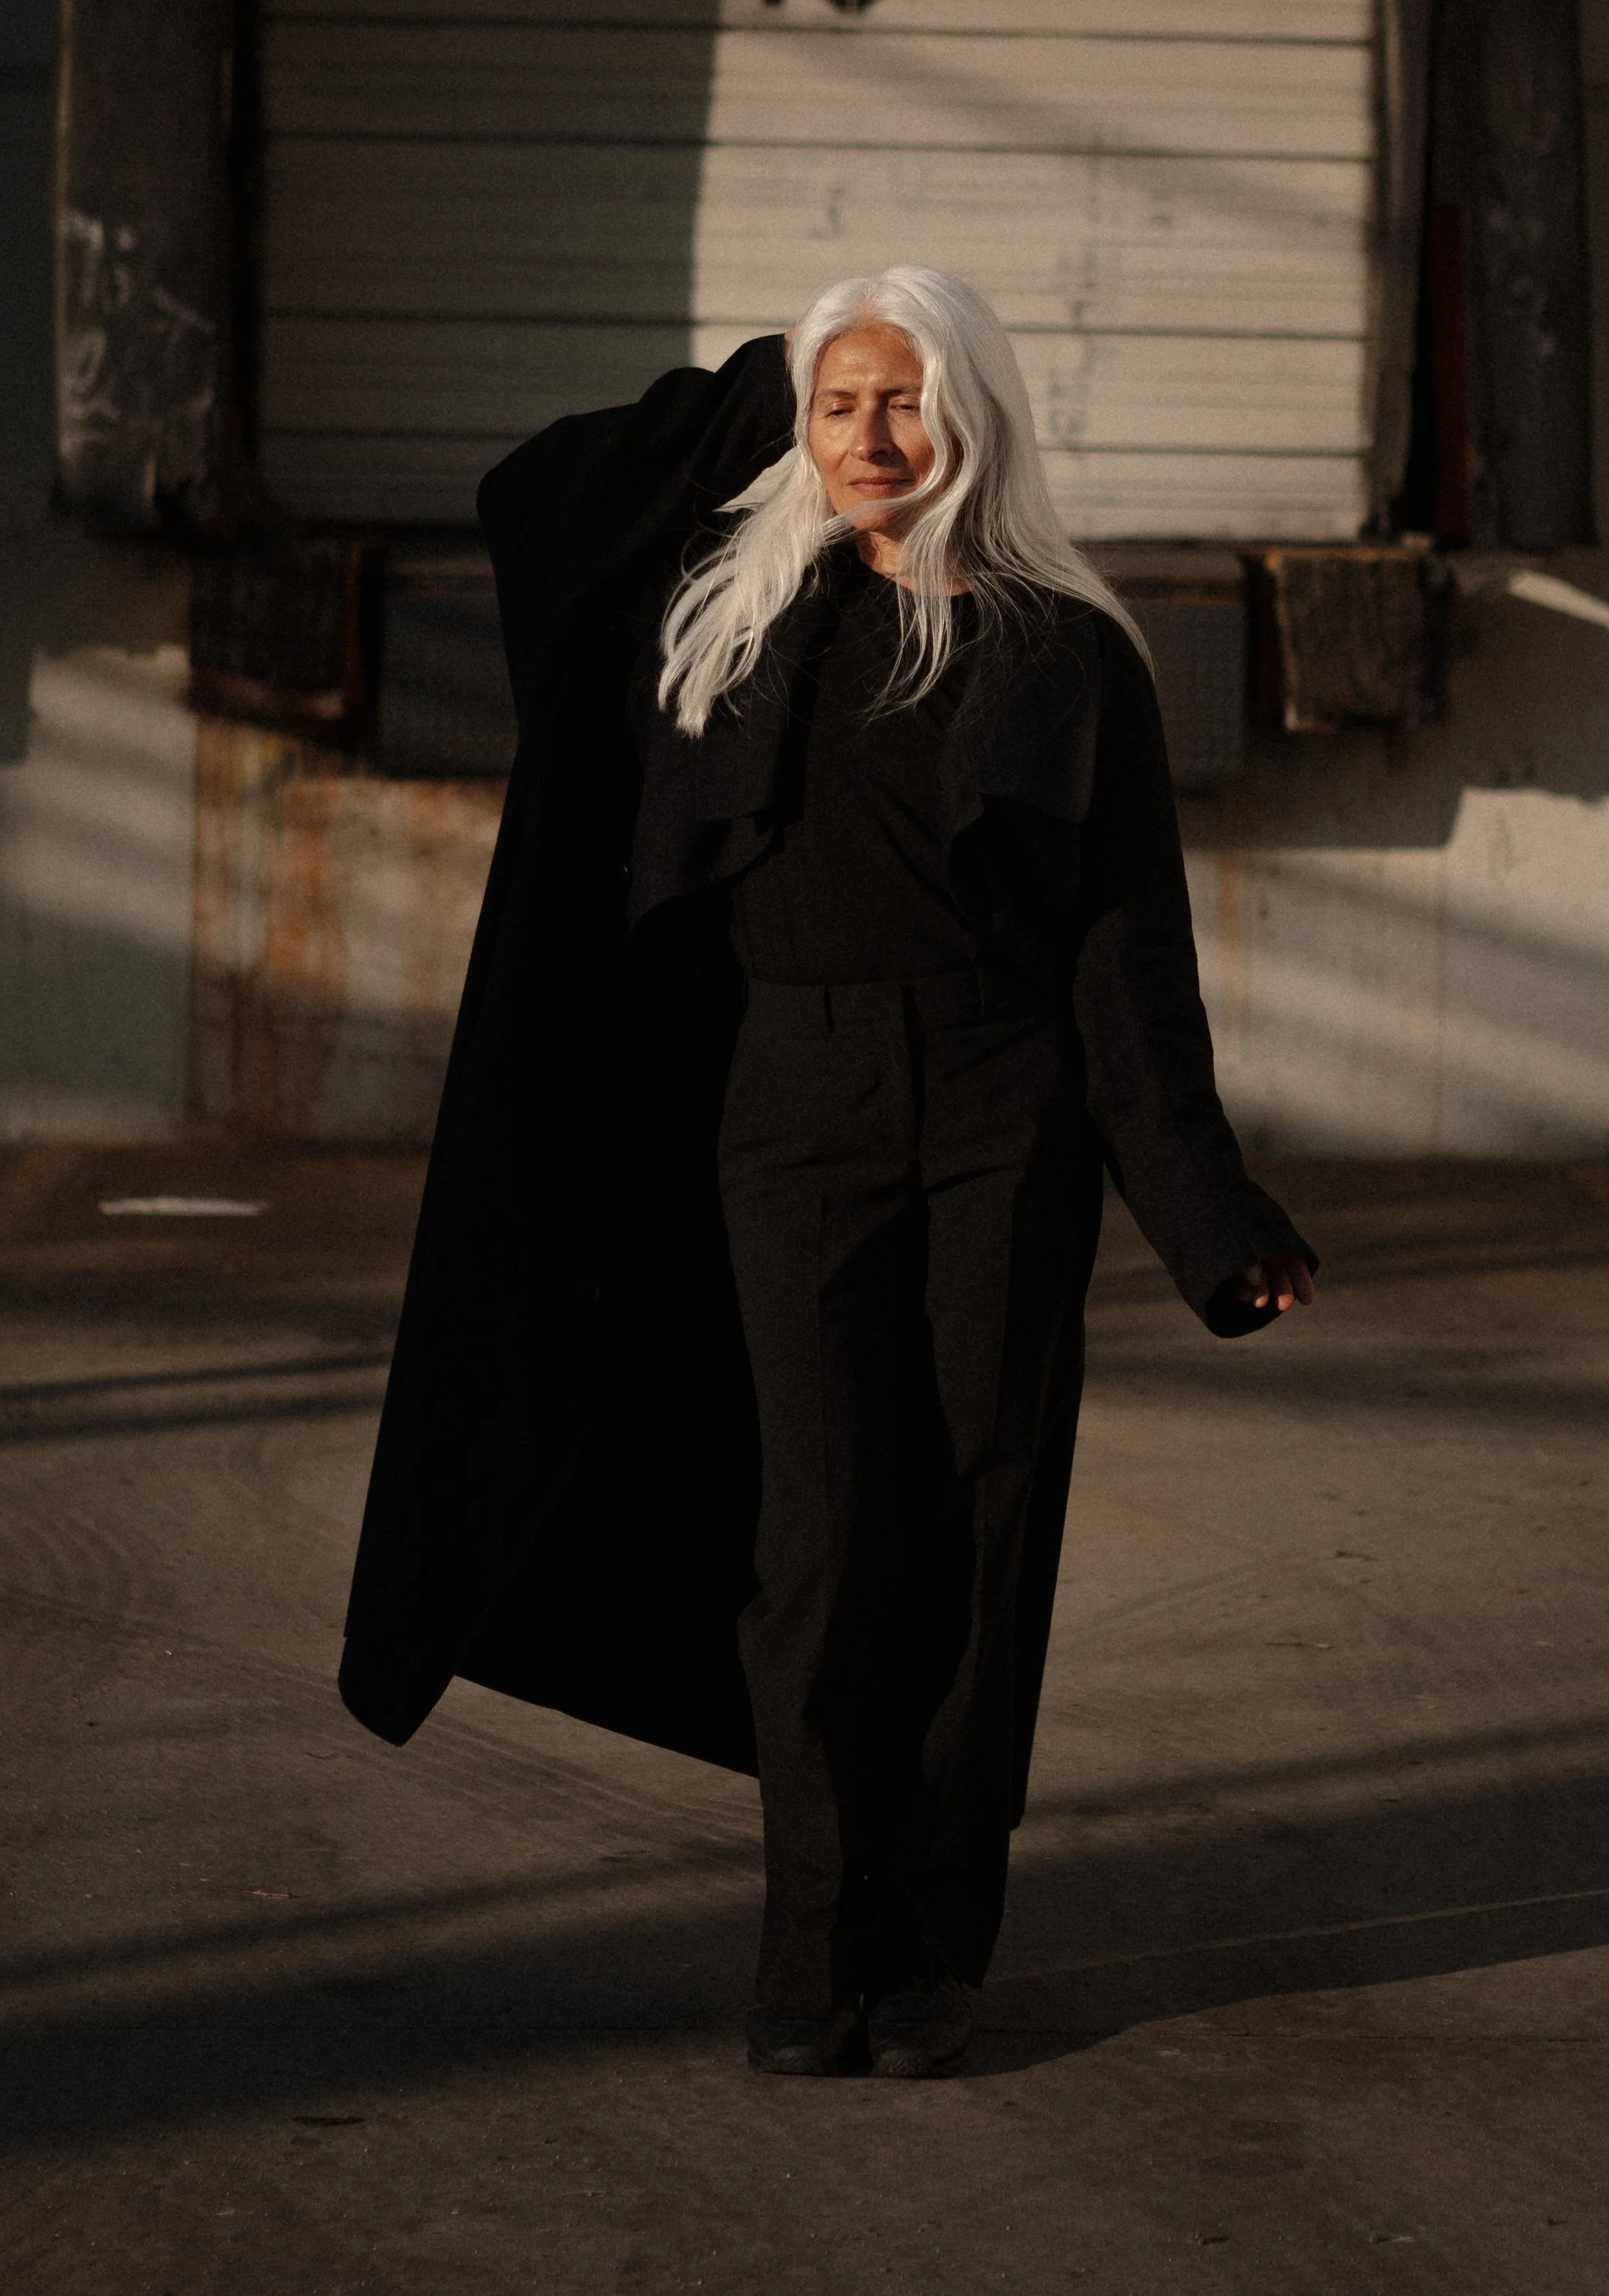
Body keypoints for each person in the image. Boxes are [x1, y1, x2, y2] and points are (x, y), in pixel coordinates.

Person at [338, 267, 1316, 2083]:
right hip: (783, 1107)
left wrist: (1203, 1209)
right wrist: (767, 367)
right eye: (835, 408)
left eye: (904, 401)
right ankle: (809, 1951)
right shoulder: (727, 614)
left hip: (1002, 1113)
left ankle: (932, 1947)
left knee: (977, 1519)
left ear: (976, 414)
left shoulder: (1063, 651)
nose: (870, 441)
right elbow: (539, 486)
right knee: (818, 1540)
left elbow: (1123, 952)